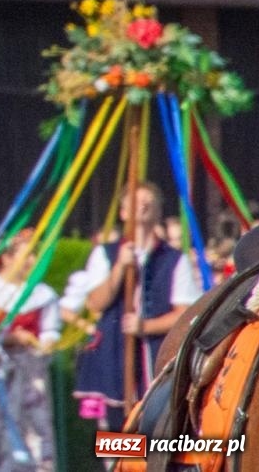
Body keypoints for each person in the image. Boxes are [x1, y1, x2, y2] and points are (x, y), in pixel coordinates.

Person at [73, 183, 203, 431]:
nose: (142, 205)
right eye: (135, 201)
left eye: (148, 202)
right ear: (123, 212)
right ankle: (121, 455)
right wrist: (120, 267)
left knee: (158, 430)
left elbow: (186, 314)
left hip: (157, 359)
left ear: (158, 211)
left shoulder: (174, 259)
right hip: (115, 359)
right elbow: (96, 302)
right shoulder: (104, 254)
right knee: (117, 434)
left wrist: (146, 325)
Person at [0, 229, 60, 472]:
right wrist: (8, 340)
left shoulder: (42, 293)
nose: (32, 261)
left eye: (35, 255)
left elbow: (50, 329)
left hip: (31, 370)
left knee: (36, 425)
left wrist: (46, 342)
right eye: (27, 255)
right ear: (7, 258)